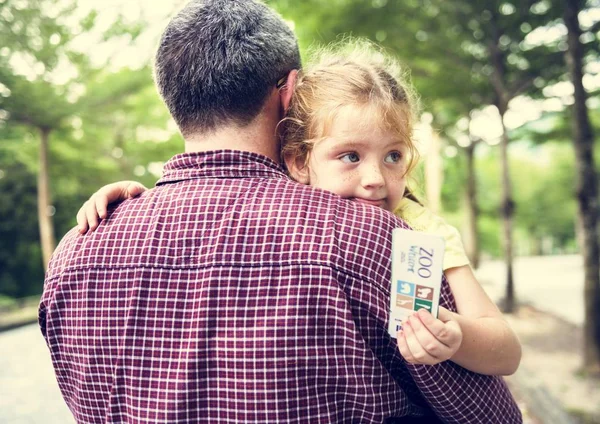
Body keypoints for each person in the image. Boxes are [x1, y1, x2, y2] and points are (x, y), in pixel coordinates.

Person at [41, 1, 523, 423]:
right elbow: (489, 413)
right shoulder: (373, 240)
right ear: (290, 94)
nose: (375, 179)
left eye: (394, 155)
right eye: (351, 155)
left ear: (174, 99)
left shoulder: (77, 250)